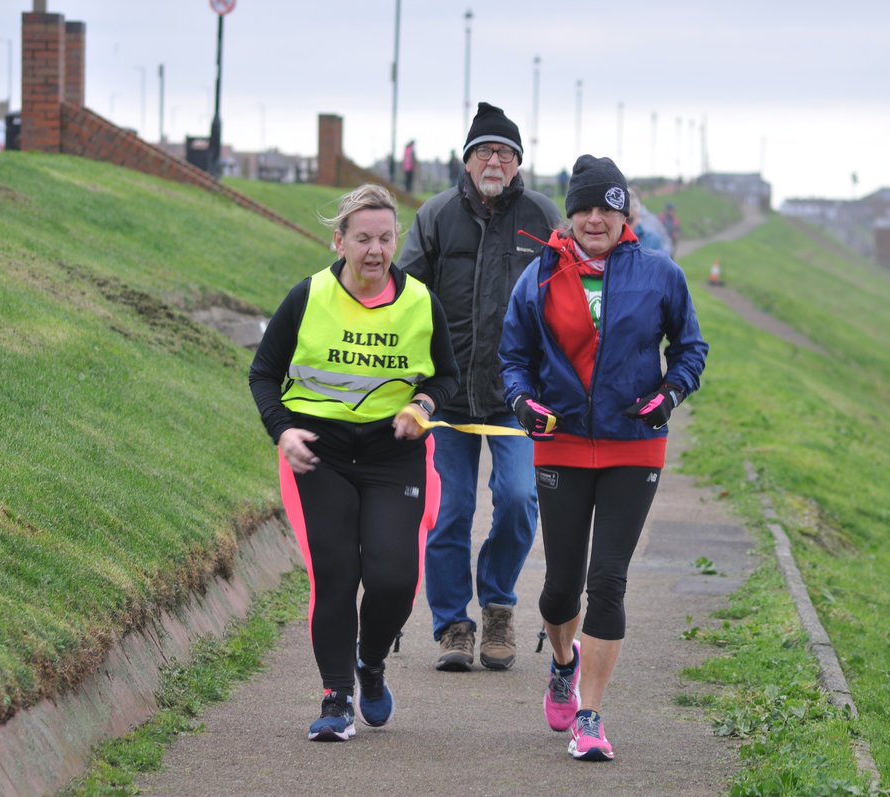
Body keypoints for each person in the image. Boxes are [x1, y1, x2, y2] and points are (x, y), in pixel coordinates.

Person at [499, 155, 708, 761]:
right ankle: (562, 662)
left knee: (607, 582)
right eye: (585, 207)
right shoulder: (538, 277)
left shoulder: (661, 274)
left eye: (607, 207)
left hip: (633, 446)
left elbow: (691, 347)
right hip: (561, 442)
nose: (596, 218)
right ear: (571, 213)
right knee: (561, 589)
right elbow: (513, 355)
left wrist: (670, 392)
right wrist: (521, 401)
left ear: (625, 213)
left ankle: (590, 716)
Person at [248, 183, 459, 741]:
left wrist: (421, 405)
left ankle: (370, 661)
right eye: (362, 238)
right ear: (339, 241)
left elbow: (447, 376)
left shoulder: (419, 301)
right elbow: (264, 373)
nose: (375, 250)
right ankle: (337, 697)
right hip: (322, 453)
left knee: (393, 578)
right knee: (336, 574)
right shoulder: (308, 296)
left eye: (386, 238)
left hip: (395, 453)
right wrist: (283, 430)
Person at [398, 101, 561, 672]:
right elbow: (405, 297)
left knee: (518, 501)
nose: (495, 160)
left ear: (518, 163)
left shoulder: (544, 219)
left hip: (518, 398)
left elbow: (569, 302)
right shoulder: (436, 215)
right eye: (485, 151)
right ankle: (453, 626)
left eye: (506, 152)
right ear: (467, 161)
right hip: (446, 396)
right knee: (452, 509)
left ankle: (496, 605)